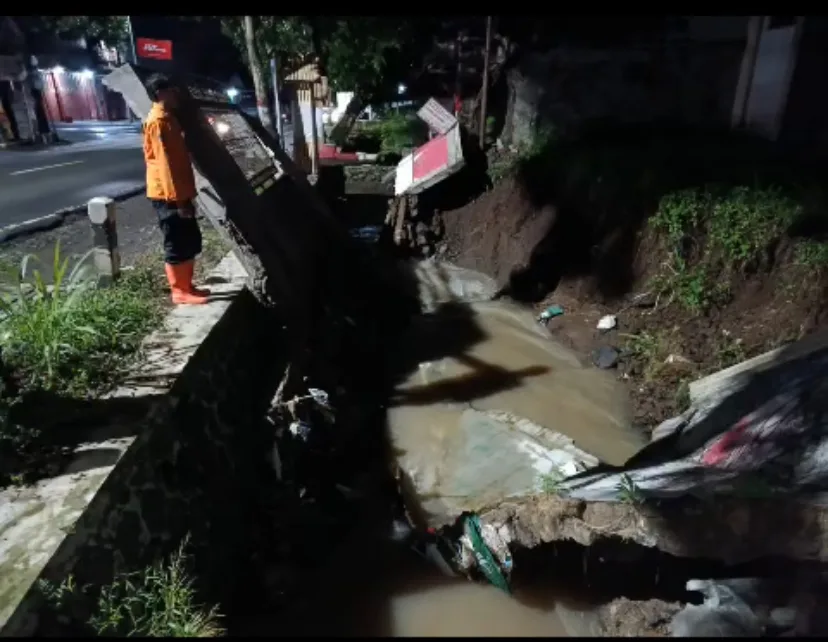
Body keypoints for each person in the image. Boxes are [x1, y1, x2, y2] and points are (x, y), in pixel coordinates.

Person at [142, 73, 209, 305]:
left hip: (178, 192)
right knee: (177, 241)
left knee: (189, 239)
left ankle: (187, 286)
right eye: (172, 90)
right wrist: (179, 201)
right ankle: (179, 291)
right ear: (161, 93)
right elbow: (165, 166)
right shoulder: (158, 121)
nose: (176, 94)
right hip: (168, 195)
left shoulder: (169, 118)